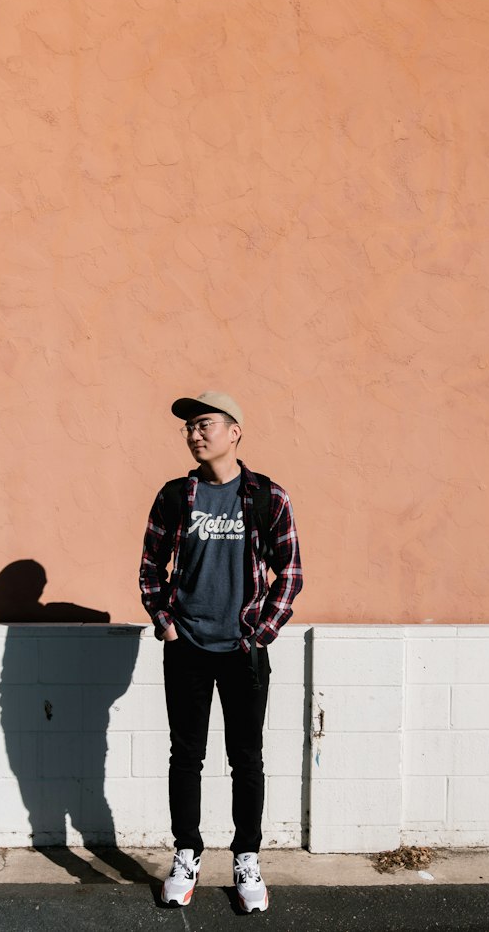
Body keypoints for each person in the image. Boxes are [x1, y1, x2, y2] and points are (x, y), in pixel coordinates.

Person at [139, 391, 303, 912]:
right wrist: (165, 623)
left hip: (242, 650)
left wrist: (261, 633)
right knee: (186, 756)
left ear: (234, 432)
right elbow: (150, 569)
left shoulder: (266, 497)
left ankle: (247, 857)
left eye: (204, 424)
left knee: (246, 758)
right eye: (189, 427)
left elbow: (291, 572)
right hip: (186, 645)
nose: (194, 434)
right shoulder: (173, 496)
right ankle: (186, 852)